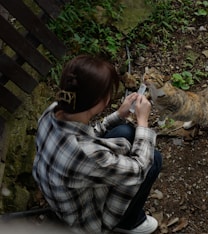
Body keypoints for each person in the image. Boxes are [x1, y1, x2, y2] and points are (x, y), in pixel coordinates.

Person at [32, 55, 163, 234]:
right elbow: (139, 168)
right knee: (153, 159)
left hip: (65, 192)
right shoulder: (85, 154)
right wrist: (143, 122)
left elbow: (86, 135)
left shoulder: (53, 111)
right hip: (90, 222)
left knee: (124, 131)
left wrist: (118, 115)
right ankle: (129, 222)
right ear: (100, 101)